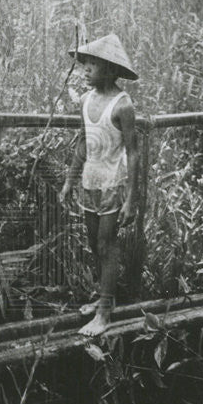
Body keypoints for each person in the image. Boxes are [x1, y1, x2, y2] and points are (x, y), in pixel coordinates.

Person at [59, 33, 140, 338]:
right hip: (89, 182)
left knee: (108, 244)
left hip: (112, 184)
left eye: (92, 65)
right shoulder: (87, 100)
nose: (85, 70)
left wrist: (132, 198)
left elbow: (133, 153)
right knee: (94, 242)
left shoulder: (123, 105)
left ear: (109, 69)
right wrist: (70, 181)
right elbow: (83, 142)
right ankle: (104, 295)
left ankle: (105, 311)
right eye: (85, 65)